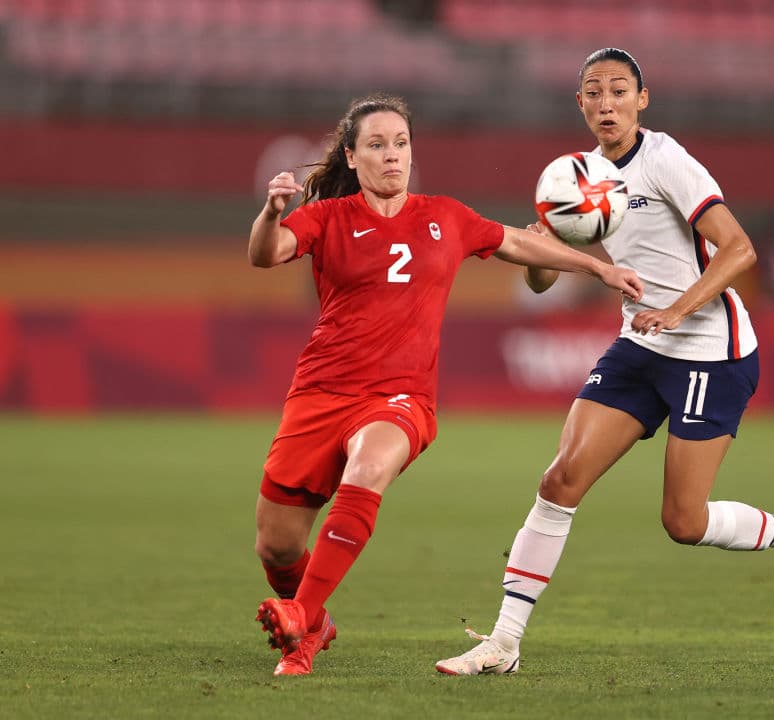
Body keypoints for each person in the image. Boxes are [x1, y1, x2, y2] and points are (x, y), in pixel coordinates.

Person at [435, 48, 774, 676]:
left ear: (641, 99)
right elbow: (544, 282)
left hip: (713, 349)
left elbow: (739, 250)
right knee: (559, 482)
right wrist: (546, 239)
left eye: (619, 90)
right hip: (641, 346)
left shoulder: (665, 160)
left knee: (683, 520)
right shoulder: (578, 178)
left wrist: (677, 311)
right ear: (580, 104)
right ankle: (504, 643)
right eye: (593, 92)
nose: (606, 104)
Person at [249, 92, 643, 677]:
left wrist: (601, 268)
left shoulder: (446, 217)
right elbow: (266, 254)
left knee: (369, 467)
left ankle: (302, 621)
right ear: (352, 159)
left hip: (401, 397)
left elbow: (517, 241)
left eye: (401, 143)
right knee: (276, 545)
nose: (392, 156)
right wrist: (269, 213)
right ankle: (315, 618)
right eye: (377, 145)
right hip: (321, 391)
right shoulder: (327, 218)